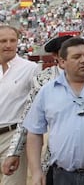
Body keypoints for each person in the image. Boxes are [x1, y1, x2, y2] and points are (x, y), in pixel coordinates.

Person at [24, 37, 84, 185]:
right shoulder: (47, 91)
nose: (83, 60)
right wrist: (36, 171)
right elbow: (34, 132)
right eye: (76, 57)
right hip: (62, 174)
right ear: (62, 62)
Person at [1, 34, 73, 185]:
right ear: (56, 56)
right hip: (57, 154)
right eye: (67, 51)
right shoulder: (44, 79)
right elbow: (28, 117)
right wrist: (15, 152)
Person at [0, 25, 40, 185]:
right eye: (3, 41)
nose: (8, 45)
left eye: (12, 40)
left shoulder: (30, 69)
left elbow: (38, 103)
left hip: (13, 135)